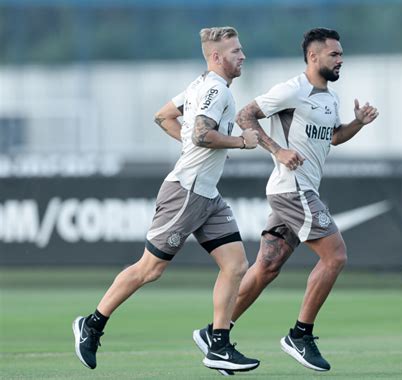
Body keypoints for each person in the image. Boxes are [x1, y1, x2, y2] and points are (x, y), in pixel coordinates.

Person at [73, 26, 261, 374]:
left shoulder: (200, 85)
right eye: (235, 51)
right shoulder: (215, 89)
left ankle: (217, 343)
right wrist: (240, 142)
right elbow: (202, 134)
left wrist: (195, 145)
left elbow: (163, 116)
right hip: (186, 192)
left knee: (235, 265)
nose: (242, 55)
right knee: (150, 269)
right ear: (217, 57)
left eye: (241, 49)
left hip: (207, 194)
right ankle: (92, 324)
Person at [193, 27, 379, 374]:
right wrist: (278, 150)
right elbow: (244, 115)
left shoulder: (329, 98)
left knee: (267, 267)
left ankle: (215, 333)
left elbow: (335, 138)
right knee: (335, 256)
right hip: (293, 190)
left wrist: (358, 123)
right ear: (313, 57)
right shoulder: (293, 89)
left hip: (299, 190)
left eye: (341, 54)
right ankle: (300, 335)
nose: (341, 60)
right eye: (334, 54)